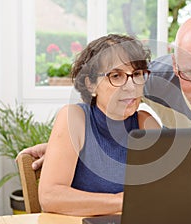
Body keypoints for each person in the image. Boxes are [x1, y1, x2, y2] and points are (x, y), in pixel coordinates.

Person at [18, 15, 191, 170]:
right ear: (175, 65)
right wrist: (66, 144)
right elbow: (108, 98)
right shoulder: (154, 78)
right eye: (189, 73)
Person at [36, 34, 160, 216]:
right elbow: (50, 197)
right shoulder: (75, 118)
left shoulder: (145, 122)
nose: (131, 86)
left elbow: (167, 189)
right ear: (91, 84)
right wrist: (121, 201)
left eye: (137, 74)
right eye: (116, 76)